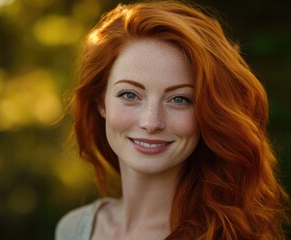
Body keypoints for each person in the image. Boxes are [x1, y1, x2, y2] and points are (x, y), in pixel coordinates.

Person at [55, 1, 290, 239]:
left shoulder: (227, 234)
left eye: (179, 99)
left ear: (208, 113)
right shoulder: (74, 229)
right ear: (101, 102)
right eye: (129, 95)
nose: (151, 122)